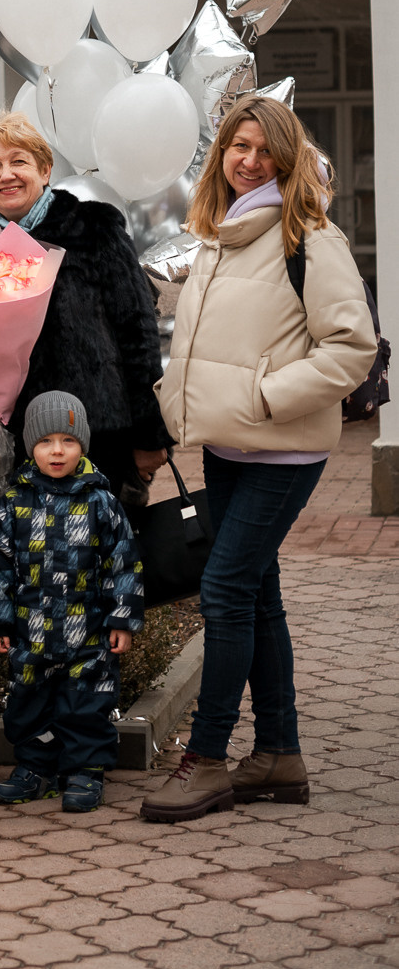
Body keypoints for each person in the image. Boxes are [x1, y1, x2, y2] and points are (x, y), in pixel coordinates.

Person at [141, 97, 376, 823]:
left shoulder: (311, 237)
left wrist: (266, 397)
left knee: (222, 590)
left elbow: (351, 347)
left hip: (283, 450)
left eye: (264, 148)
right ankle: (278, 754)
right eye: (237, 147)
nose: (249, 160)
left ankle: (207, 758)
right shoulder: (220, 234)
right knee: (256, 594)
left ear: (287, 156)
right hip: (226, 446)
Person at [0, 111, 171, 506]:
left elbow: (137, 331)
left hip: (97, 439)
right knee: (17, 547)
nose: (6, 175)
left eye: (19, 161)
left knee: (100, 544)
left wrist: (149, 435)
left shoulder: (95, 228)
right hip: (8, 445)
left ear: (45, 170)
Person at [0, 391, 144, 814]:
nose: (57, 451)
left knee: (86, 701)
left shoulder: (101, 502)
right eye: (46, 441)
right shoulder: (14, 502)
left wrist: (121, 619)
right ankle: (35, 767)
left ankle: (85, 770)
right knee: (29, 702)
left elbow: (123, 563)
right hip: (30, 631)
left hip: (88, 630)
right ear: (30, 446)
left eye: (68, 441)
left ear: (82, 445)